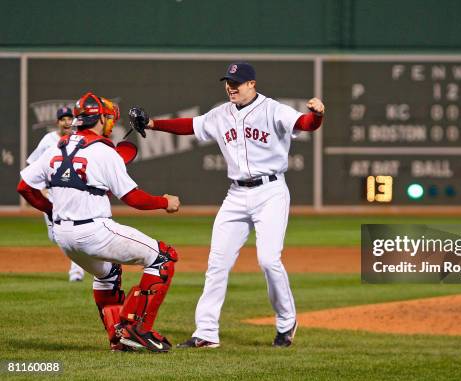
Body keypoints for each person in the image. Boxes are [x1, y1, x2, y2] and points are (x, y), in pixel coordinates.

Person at [129, 62, 324, 348]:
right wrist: (152, 124)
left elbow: (305, 125)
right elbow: (191, 126)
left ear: (252, 84)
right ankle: (206, 333)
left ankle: (286, 322)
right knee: (217, 264)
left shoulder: (273, 109)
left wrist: (317, 115)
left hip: (270, 192)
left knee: (269, 260)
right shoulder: (221, 113)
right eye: (228, 82)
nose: (231, 86)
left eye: (237, 82)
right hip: (236, 195)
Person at [17, 92, 181, 353]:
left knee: (108, 274)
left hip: (63, 237)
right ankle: (137, 329)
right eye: (108, 118)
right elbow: (134, 198)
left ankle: (118, 338)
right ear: (100, 118)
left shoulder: (55, 148)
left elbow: (24, 187)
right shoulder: (104, 152)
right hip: (94, 230)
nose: (111, 123)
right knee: (163, 257)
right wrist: (164, 202)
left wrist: (51, 209)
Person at [27, 107, 85, 282]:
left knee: (73, 230)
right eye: (63, 119)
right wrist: (40, 188)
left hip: (72, 192)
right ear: (57, 122)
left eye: (69, 119)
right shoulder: (48, 140)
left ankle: (76, 271)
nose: (67, 122)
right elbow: (31, 163)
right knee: (55, 236)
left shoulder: (78, 140)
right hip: (51, 194)